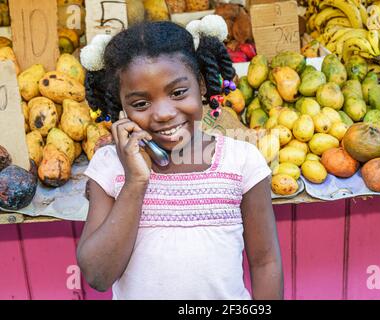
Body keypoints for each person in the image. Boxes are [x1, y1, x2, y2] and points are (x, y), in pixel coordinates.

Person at [76, 16, 283, 300]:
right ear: (120, 106)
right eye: (140, 103)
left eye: (177, 92)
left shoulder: (242, 161)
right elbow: (98, 276)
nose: (162, 113)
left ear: (201, 85)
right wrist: (135, 182)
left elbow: (265, 262)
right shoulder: (110, 166)